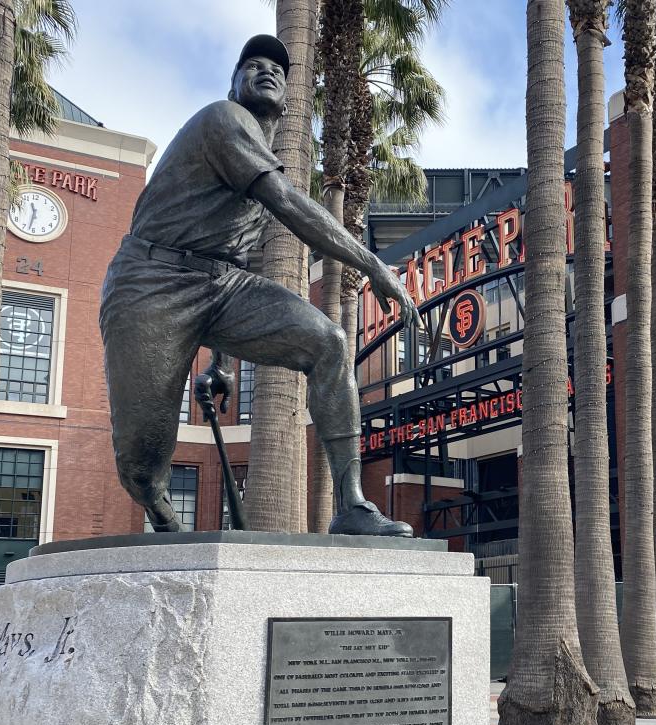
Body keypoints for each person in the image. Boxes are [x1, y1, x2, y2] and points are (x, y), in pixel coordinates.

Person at [100, 34, 418, 536]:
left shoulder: (262, 157)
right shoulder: (224, 121)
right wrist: (372, 264)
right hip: (151, 281)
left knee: (328, 341)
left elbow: (235, 257)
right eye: (252, 64)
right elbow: (289, 204)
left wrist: (219, 359)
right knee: (142, 462)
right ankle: (164, 520)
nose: (266, 70)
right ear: (233, 86)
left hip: (220, 284)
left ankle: (353, 504)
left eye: (277, 68)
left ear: (290, 100)